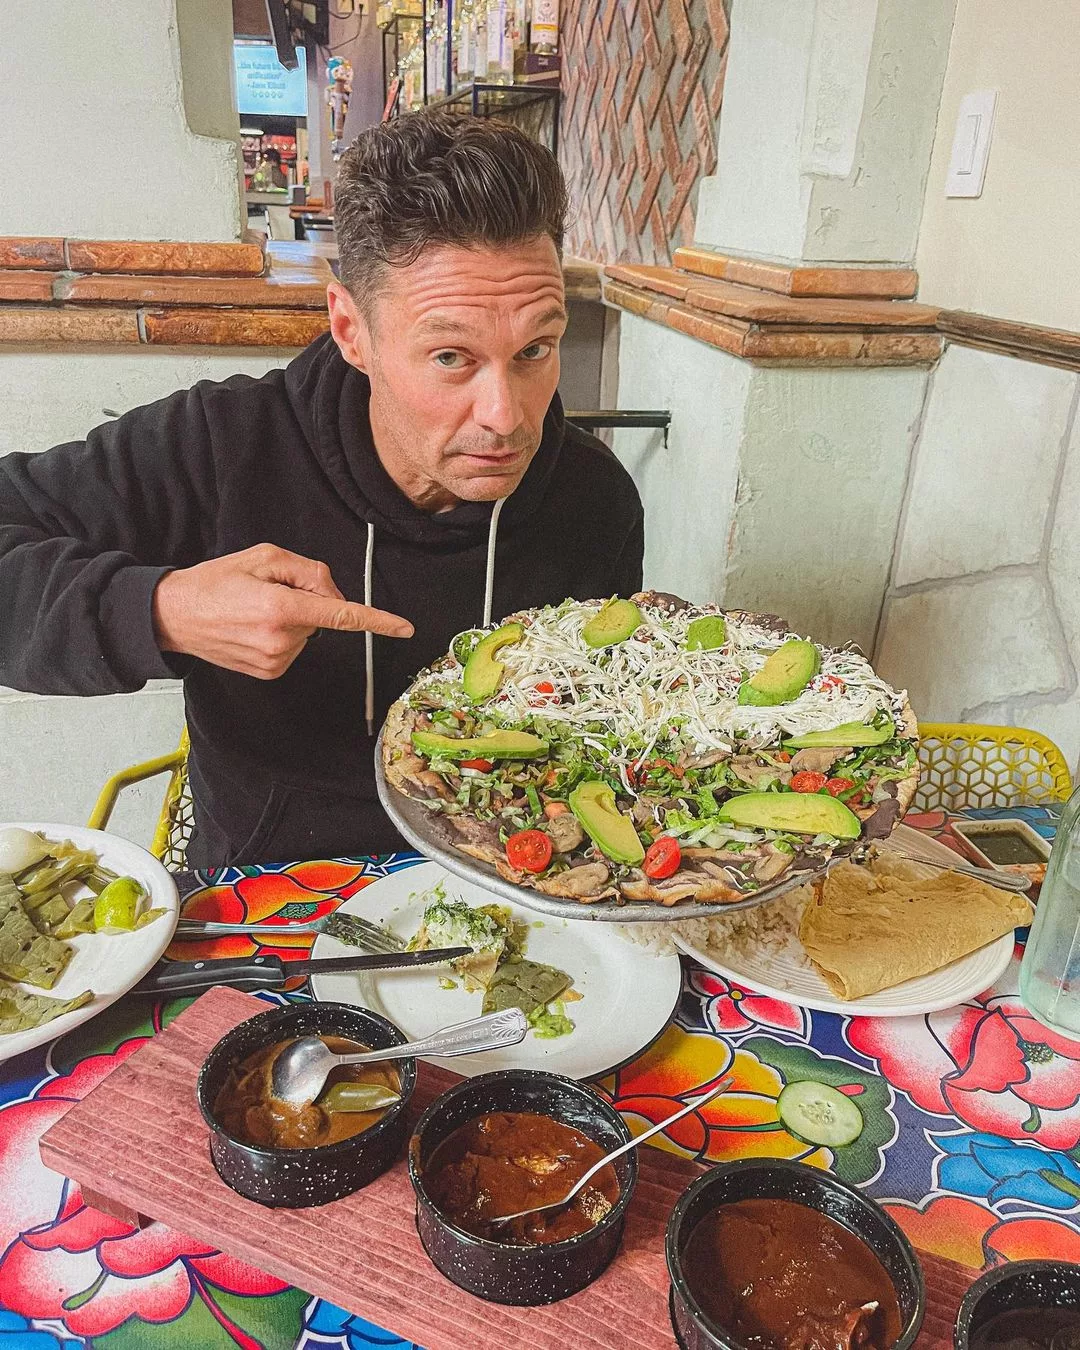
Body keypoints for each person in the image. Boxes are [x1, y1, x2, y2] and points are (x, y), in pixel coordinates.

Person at [0, 113, 644, 868]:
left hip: (513, 879)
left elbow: (596, 733)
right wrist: (161, 607)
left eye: (535, 349)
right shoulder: (220, 444)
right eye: (449, 357)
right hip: (271, 895)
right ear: (351, 329)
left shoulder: (595, 500)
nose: (505, 418)